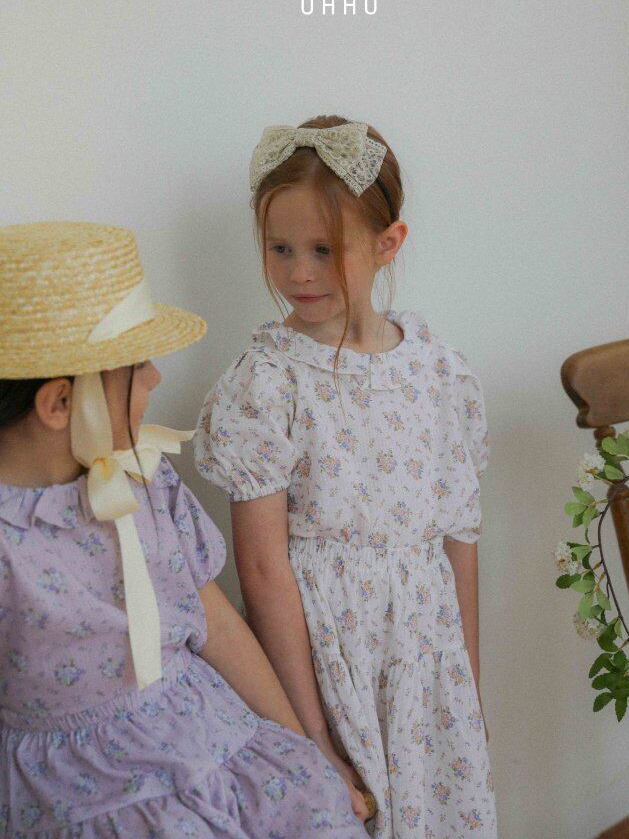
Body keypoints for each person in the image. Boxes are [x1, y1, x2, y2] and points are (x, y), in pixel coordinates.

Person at [0, 220, 368, 838]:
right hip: (92, 791)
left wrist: (304, 748)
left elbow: (215, 623)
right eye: (138, 366)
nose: (156, 379)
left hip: (210, 734)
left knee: (316, 812)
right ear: (60, 403)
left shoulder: (145, 478)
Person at [194, 116, 498, 838]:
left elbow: (459, 541)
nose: (299, 273)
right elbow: (262, 570)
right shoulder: (267, 383)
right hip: (327, 665)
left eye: (325, 250)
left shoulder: (437, 370)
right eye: (281, 249)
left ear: (388, 244)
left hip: (425, 667)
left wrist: (468, 692)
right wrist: (310, 737)